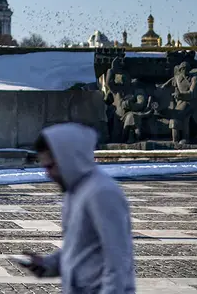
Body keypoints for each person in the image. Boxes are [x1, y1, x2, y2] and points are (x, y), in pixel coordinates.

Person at [24, 123, 136, 293]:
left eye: (50, 166)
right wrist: (48, 265)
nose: (47, 174)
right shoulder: (75, 191)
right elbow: (81, 249)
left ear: (67, 159)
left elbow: (118, 259)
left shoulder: (102, 192)